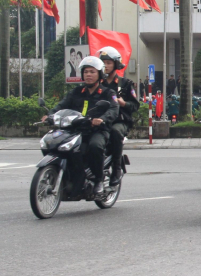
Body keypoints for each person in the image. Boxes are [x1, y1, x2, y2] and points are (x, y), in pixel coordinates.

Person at [44, 56, 119, 196]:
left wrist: (102, 119)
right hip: (76, 130)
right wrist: (50, 115)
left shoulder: (108, 93)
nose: (88, 75)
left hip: (98, 130)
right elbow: (62, 105)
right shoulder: (76, 92)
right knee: (53, 142)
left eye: (92, 71)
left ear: (100, 74)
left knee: (94, 146)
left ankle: (98, 180)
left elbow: (113, 109)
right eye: (86, 72)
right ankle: (67, 175)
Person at [99, 46, 139, 186]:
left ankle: (116, 169)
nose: (106, 66)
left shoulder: (125, 84)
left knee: (115, 132)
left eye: (109, 63)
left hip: (119, 120)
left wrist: (124, 104)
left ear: (115, 64)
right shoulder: (98, 84)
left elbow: (135, 105)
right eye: (103, 62)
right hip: (101, 120)